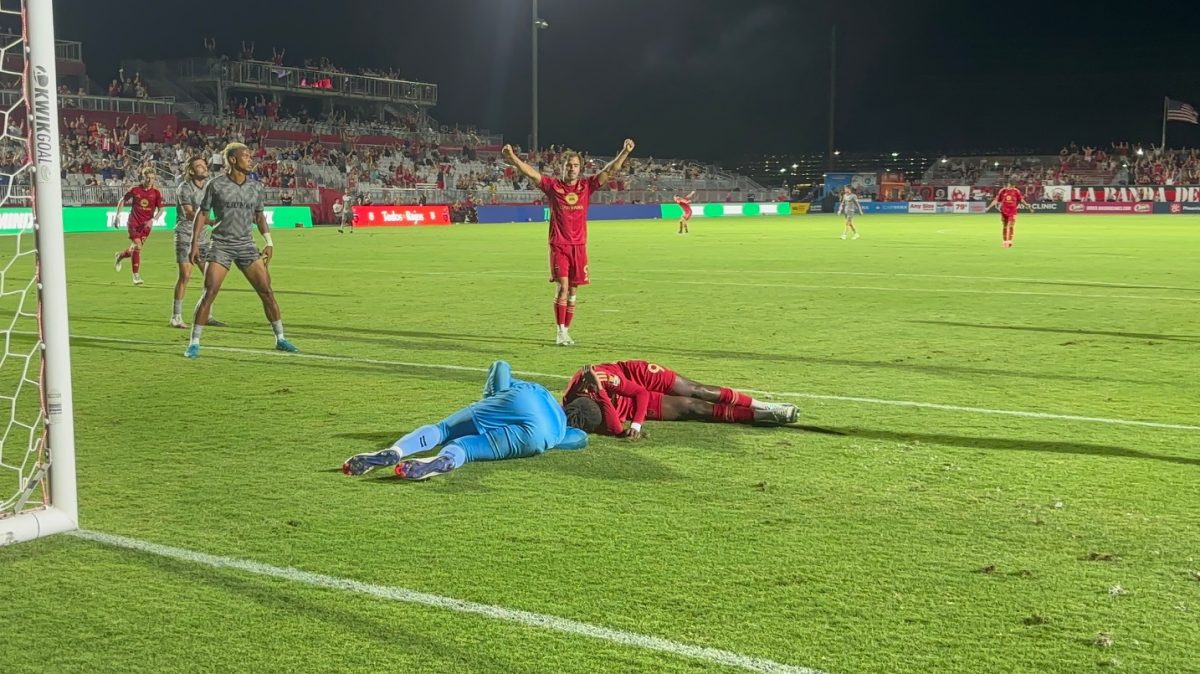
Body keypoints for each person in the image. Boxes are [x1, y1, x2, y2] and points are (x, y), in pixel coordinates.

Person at [341, 361, 589, 480]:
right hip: (538, 436)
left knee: (443, 429)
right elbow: (580, 439)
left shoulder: (541, 391)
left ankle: (398, 451)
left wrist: (490, 398)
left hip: (519, 400)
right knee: (466, 448)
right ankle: (445, 460)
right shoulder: (562, 432)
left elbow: (501, 367)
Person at [502, 139, 636, 346]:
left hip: (580, 246)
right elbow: (531, 173)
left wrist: (625, 152)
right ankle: (559, 331)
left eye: (575, 165)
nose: (572, 169)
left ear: (580, 168)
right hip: (559, 245)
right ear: (562, 167)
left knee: (573, 290)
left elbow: (610, 171)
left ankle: (567, 330)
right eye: (568, 165)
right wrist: (512, 158)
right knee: (563, 287)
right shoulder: (553, 186)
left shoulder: (586, 186)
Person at [185, 142, 299, 358]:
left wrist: (269, 241)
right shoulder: (215, 185)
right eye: (245, 156)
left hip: (246, 244)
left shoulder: (255, 187)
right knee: (210, 292)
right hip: (221, 244)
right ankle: (194, 343)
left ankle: (281, 339)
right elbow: (202, 214)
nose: (250, 159)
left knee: (266, 291)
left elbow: (259, 216)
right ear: (233, 160)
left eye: (250, 155)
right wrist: (194, 244)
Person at [561, 361, 799, 440]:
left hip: (635, 377)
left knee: (697, 390)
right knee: (692, 408)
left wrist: (636, 425)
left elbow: (640, 393)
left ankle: (763, 405)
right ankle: (760, 417)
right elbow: (613, 428)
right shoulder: (577, 413)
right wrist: (604, 397)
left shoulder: (600, 377)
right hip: (625, 402)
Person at [170, 157, 225, 329]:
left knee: (211, 278)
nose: (203, 168)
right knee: (185, 276)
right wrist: (210, 221)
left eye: (204, 165)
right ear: (191, 171)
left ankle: (207, 315)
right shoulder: (184, 188)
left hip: (202, 238)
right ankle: (176, 317)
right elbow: (188, 213)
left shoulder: (209, 187)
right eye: (199, 166)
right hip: (186, 235)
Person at [112, 167, 165, 285]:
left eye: (152, 178)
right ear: (143, 177)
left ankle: (120, 255)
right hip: (133, 223)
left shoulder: (156, 193)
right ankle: (136, 276)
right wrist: (117, 216)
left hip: (146, 226)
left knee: (134, 250)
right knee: (138, 246)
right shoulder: (135, 190)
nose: (150, 180)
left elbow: (161, 210)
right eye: (148, 178)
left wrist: (153, 220)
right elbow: (122, 200)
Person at [986, 179, 1032, 248]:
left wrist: (1027, 206)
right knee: (1004, 226)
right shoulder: (1003, 191)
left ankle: (1010, 241)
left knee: (1011, 225)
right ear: (1009, 184)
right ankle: (1004, 242)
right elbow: (996, 200)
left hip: (1013, 211)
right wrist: (988, 207)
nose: (1013, 187)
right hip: (1004, 211)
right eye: (1012, 185)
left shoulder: (1016, 191)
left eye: (1014, 186)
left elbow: (1021, 200)